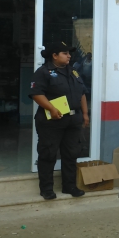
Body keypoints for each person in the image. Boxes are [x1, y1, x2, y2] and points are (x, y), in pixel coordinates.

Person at [30, 41, 90, 200]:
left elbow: (82, 93)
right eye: (65, 53)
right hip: (52, 121)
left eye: (69, 53)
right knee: (48, 154)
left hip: (73, 119)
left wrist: (85, 113)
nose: (69, 56)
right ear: (54, 56)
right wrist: (51, 108)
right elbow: (37, 94)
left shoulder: (74, 72)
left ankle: (69, 186)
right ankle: (47, 189)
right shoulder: (43, 72)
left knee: (71, 154)